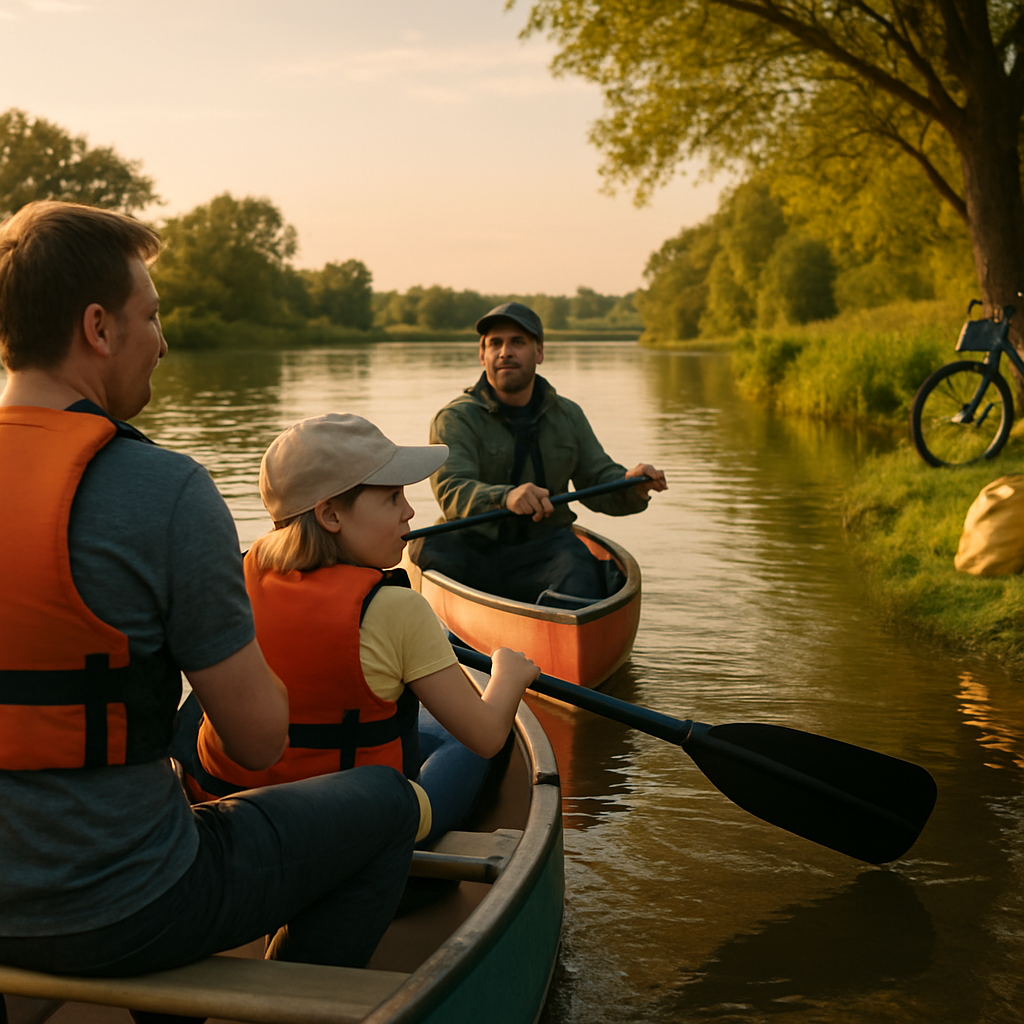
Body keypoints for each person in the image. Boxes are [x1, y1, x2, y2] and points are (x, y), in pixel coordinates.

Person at [0, 201, 421, 985]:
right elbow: (261, 742)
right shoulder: (164, 489)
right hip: (124, 908)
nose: (161, 342)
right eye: (150, 317)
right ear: (99, 328)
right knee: (388, 802)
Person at [173, 413, 540, 846]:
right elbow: (486, 736)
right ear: (330, 515)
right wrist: (509, 673)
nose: (409, 511)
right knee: (467, 742)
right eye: (391, 499)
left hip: (228, 811)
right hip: (342, 831)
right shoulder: (399, 609)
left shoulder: (234, 578)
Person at [409, 301, 668, 605]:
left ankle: (559, 627)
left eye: (518, 342)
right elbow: (453, 490)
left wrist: (631, 485)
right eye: (495, 344)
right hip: (472, 546)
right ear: (483, 355)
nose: (505, 351)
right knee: (426, 549)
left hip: (545, 548)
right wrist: (506, 497)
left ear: (539, 352)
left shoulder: (569, 416)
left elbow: (597, 478)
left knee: (583, 573)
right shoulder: (454, 419)